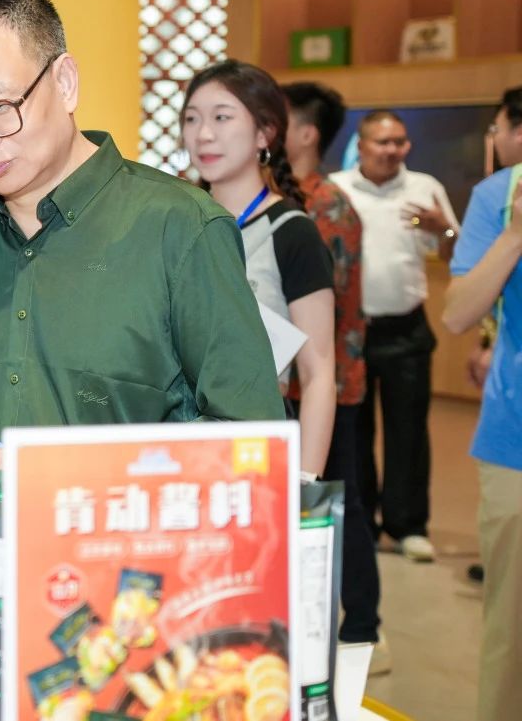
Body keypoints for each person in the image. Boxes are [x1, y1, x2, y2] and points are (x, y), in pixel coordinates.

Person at [0, 0, 284, 475]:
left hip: (130, 526)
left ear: (64, 83)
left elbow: (250, 440)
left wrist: (51, 472)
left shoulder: (181, 228)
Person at [182, 63, 335, 479]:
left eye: (221, 117)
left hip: (256, 447)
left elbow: (318, 373)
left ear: (265, 133)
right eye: (192, 119)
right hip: (177, 440)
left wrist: (305, 482)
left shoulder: (291, 232)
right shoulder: (174, 223)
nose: (203, 134)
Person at [283, 80, 385, 670]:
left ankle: (363, 626)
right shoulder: (285, 196)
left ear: (305, 134)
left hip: (331, 386)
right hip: (288, 381)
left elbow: (329, 306)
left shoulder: (327, 207)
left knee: (340, 506)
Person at [330, 110, 460, 562]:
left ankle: (409, 526)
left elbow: (456, 251)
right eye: (382, 142)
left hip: (407, 327)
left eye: (399, 142)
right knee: (354, 431)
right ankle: (361, 522)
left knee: (409, 431)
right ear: (361, 145)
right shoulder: (337, 190)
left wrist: (442, 229)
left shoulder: (425, 188)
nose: (392, 150)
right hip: (350, 330)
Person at [442, 86, 522, 721]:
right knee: (512, 629)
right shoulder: (498, 196)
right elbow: (458, 313)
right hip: (513, 439)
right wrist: (515, 234)